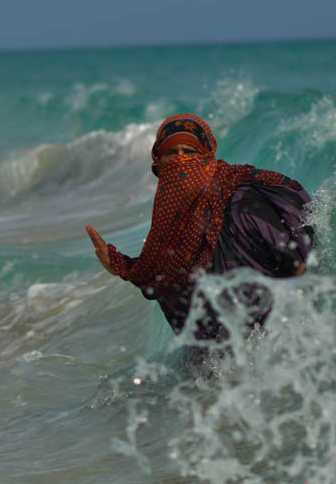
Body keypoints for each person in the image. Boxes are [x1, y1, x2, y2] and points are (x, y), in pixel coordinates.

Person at [85, 113, 313, 375]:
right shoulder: (171, 222)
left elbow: (295, 261)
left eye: (189, 150)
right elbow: (162, 274)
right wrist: (120, 265)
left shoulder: (241, 200)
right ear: (159, 163)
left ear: (206, 155)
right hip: (215, 361)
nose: (181, 159)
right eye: (172, 153)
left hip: (271, 351)